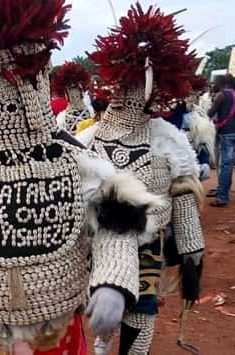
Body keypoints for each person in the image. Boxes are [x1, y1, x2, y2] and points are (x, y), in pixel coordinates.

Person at [0, 1, 161, 354]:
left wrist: (113, 283)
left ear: (36, 90)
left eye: (14, 98)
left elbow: (116, 229)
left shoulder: (79, 161)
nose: (4, 109)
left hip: (53, 324)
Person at [77, 4, 205, 354]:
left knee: (140, 320)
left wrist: (192, 247)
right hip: (98, 241)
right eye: (123, 87)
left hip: (148, 245)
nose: (127, 97)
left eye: (137, 89)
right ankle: (102, 346)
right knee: (102, 316)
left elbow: (182, 194)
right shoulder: (88, 139)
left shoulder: (167, 140)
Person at [207, 74, 235, 207]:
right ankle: (221, 190)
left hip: (226, 134)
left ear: (222, 83)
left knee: (225, 165)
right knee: (226, 164)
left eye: (214, 83)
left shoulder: (221, 95)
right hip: (231, 133)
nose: (213, 85)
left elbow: (210, 113)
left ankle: (223, 197)